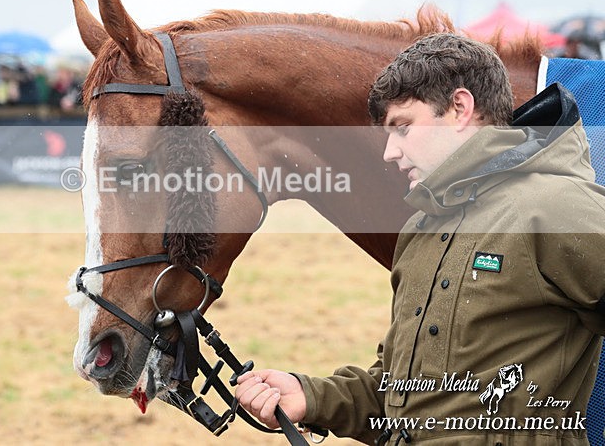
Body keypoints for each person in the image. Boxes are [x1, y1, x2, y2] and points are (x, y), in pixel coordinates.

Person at [235, 33, 605, 444]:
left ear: (460, 109)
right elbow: (402, 396)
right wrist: (312, 398)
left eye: (403, 128)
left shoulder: (556, 207)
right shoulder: (420, 228)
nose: (389, 153)